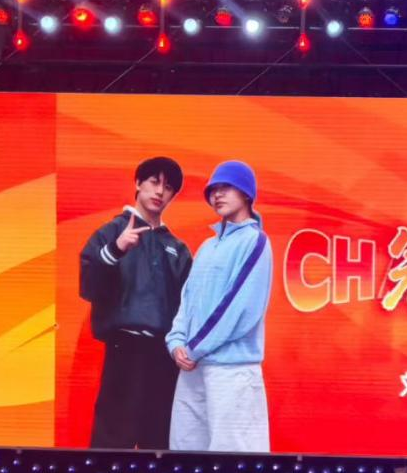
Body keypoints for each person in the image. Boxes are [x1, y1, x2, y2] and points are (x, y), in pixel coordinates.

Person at [80, 156, 192, 449]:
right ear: (138, 183)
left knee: (160, 443)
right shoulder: (110, 232)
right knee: (112, 442)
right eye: (154, 182)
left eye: (168, 187)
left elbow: (190, 306)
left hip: (164, 356)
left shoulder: (177, 248)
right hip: (124, 350)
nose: (160, 191)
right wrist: (116, 249)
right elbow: (89, 286)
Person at [168, 161, 274, 452]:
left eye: (226, 187)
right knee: (185, 451)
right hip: (192, 369)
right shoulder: (207, 246)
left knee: (234, 457)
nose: (217, 194)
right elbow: (187, 300)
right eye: (213, 190)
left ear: (246, 193)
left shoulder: (255, 241)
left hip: (232, 370)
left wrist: (192, 349)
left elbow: (238, 309)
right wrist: (176, 342)